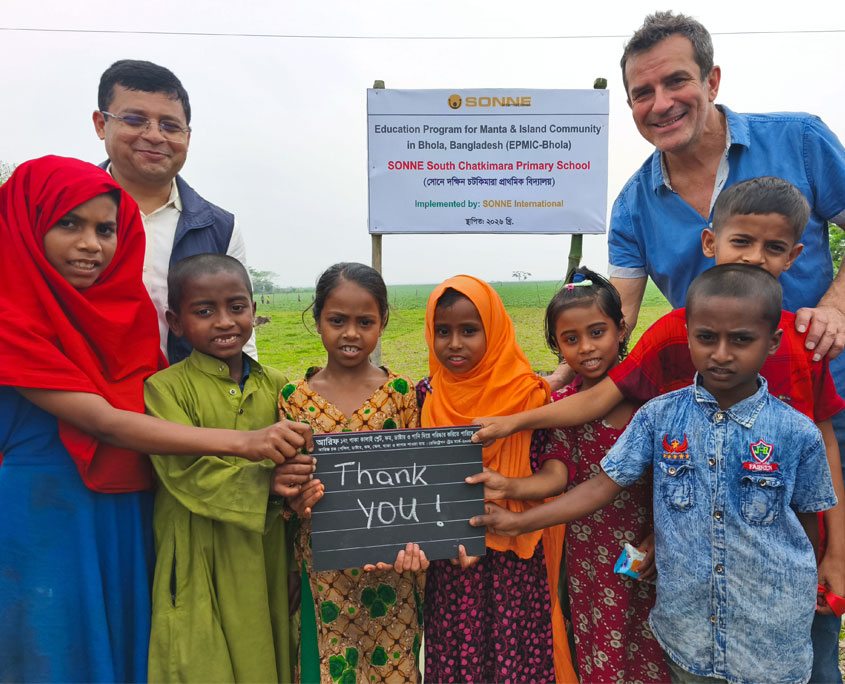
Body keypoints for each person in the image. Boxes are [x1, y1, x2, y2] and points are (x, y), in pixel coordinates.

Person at [475, 177, 845, 618]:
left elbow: (822, 454)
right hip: (690, 568)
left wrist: (836, 552)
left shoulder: (804, 347)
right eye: (742, 241)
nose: (753, 257)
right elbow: (604, 460)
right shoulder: (669, 340)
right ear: (711, 242)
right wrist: (515, 422)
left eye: (774, 247)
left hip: (781, 567)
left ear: (794, 256)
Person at [0, 157, 310, 682]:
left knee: (127, 646)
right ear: (26, 224)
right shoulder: (12, 314)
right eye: (68, 224)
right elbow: (103, 421)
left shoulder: (124, 311)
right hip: (45, 513)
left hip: (128, 507)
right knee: (54, 646)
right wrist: (246, 444)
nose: (90, 244)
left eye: (105, 228)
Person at [610, 14, 845, 676]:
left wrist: (834, 306)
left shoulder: (796, 140)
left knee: (809, 591)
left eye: (675, 81)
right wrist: (552, 382)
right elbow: (616, 320)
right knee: (715, 595)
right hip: (711, 437)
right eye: (640, 93)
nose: (660, 104)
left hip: (821, 405)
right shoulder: (632, 204)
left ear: (711, 79)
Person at [473, 264, 837, 684]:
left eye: (740, 339)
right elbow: (599, 487)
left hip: (768, 646)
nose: (721, 353)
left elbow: (805, 533)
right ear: (688, 339)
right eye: (706, 338)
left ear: (772, 343)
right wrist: (516, 520)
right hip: (687, 640)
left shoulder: (797, 433)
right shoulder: (659, 417)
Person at [468, 267, 669, 682]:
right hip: (589, 555)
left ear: (621, 327)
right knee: (600, 649)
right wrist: (508, 486)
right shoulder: (561, 405)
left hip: (654, 546)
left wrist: (658, 537)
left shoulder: (656, 396)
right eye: (570, 339)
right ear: (557, 345)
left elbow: (676, 481)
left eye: (597, 332)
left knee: (658, 648)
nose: (586, 348)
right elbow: (558, 476)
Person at [417, 275, 576, 684]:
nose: (454, 344)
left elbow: (555, 475)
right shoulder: (426, 395)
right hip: (453, 563)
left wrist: (508, 488)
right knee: (458, 661)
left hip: (515, 563)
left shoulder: (529, 396)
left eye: (470, 331)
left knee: (518, 658)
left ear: (496, 330)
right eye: (443, 331)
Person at [277, 262, 425, 684]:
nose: (351, 333)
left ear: (383, 323)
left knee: (394, 668)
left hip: (392, 570)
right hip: (324, 574)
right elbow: (289, 482)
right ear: (317, 318)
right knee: (331, 665)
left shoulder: (400, 393)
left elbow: (417, 479)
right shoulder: (293, 398)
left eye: (366, 322)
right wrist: (295, 499)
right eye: (337, 320)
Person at [93, 59, 256, 363]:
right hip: (82, 401)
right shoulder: (59, 213)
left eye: (170, 125)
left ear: (188, 137)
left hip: (187, 406)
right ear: (101, 124)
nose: (154, 135)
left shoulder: (219, 228)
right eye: (134, 119)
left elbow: (240, 338)